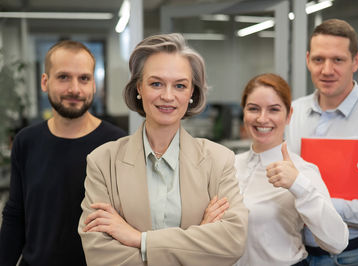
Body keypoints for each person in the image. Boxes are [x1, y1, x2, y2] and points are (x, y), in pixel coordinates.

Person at [78, 33, 248, 266]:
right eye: (156, 83)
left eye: (180, 85)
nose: (168, 96)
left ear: (191, 94)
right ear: (139, 88)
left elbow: (232, 242)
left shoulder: (219, 161)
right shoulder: (103, 161)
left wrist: (140, 240)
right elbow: (101, 256)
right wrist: (198, 242)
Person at [0, 40, 126, 266]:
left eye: (84, 79)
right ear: (45, 82)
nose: (75, 89)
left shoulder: (117, 143)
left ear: (94, 85)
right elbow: (15, 215)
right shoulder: (26, 141)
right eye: (63, 77)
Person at [286, 19, 358, 266]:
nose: (327, 70)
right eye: (318, 59)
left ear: (356, 61)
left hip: (354, 257)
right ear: (307, 60)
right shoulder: (290, 115)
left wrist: (325, 206)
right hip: (296, 255)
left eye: (338, 60)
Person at [234, 73, 348, 266]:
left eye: (274, 110)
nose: (262, 118)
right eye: (254, 108)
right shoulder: (230, 165)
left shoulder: (302, 171)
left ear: (288, 116)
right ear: (244, 112)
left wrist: (298, 185)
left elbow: (337, 242)